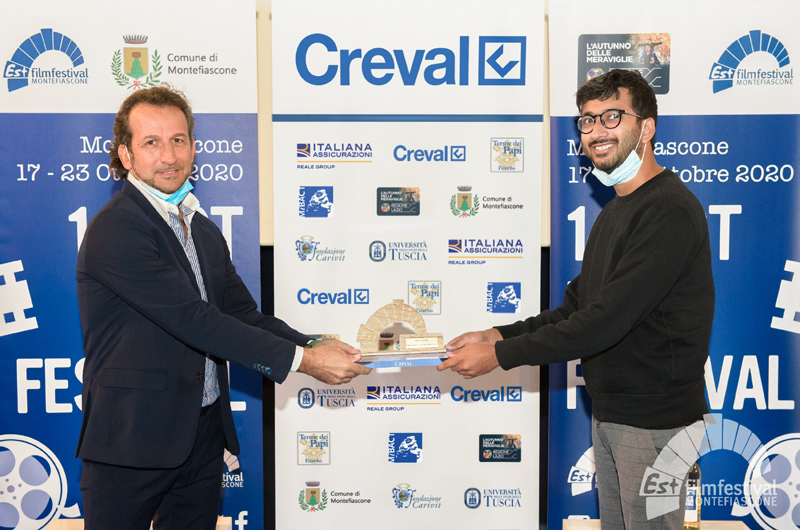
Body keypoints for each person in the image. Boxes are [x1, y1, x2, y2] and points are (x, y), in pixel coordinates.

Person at [76, 85, 370, 530]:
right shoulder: (117, 228)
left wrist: (315, 343)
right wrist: (304, 361)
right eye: (151, 142)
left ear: (194, 148)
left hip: (202, 435)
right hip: (131, 440)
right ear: (126, 155)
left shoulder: (202, 229)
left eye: (178, 140)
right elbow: (195, 321)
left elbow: (243, 316)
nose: (169, 156)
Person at [439, 69, 714, 529]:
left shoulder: (667, 210)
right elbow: (576, 309)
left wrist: (500, 356)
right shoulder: (616, 210)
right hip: (614, 416)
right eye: (587, 120)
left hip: (656, 425)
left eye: (612, 116)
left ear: (647, 127)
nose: (596, 130)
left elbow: (605, 321)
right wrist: (496, 334)